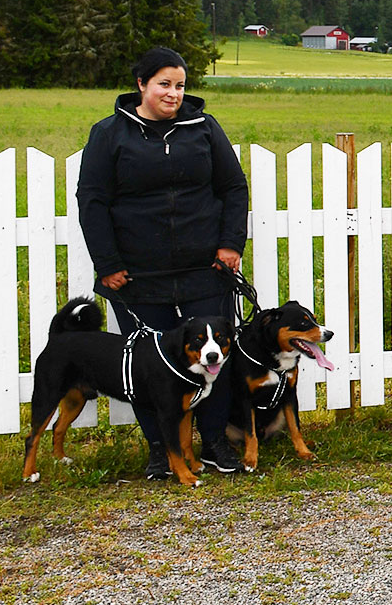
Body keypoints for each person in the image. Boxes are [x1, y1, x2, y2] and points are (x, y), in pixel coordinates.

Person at [75, 46, 249, 478]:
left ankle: (214, 445)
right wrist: (108, 263)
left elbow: (233, 187)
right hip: (138, 274)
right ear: (141, 84)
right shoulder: (109, 134)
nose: (173, 94)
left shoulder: (204, 128)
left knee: (216, 360)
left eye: (180, 85)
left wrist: (230, 244)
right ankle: (160, 448)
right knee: (145, 368)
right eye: (164, 85)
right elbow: (92, 201)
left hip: (204, 271)